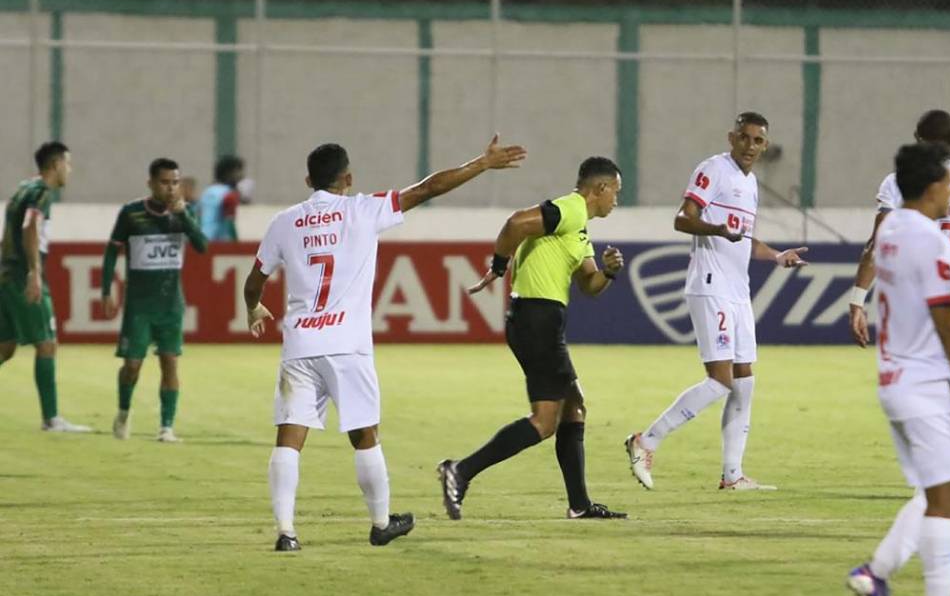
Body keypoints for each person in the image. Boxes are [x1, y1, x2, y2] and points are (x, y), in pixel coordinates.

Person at [244, 132, 526, 550]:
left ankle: (286, 533)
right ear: (349, 178)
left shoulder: (284, 221)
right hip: (348, 346)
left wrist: (254, 308)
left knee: (289, 436)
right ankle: (380, 523)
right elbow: (428, 188)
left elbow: (255, 281)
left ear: (308, 181)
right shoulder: (364, 209)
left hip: (300, 346)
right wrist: (480, 164)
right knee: (364, 435)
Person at [845, 142, 950, 596]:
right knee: (948, 497)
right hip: (927, 384)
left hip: (898, 379)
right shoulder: (931, 244)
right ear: (933, 187)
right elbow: (947, 326)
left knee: (945, 489)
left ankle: (877, 574)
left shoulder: (892, 233)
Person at [437, 156, 628, 521]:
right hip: (536, 318)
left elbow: (589, 285)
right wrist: (497, 266)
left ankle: (580, 505)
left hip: (543, 320)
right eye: (615, 192)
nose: (616, 200)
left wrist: (610, 272)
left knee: (574, 407)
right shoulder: (570, 209)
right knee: (544, 421)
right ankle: (460, 471)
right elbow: (516, 223)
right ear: (600, 189)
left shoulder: (580, 228)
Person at [624, 114, 805, 493]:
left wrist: (776, 256)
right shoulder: (714, 170)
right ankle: (647, 440)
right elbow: (682, 219)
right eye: (744, 137)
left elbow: (745, 239)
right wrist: (716, 229)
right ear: (732, 137)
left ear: (765, 146)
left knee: (745, 383)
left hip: (738, 291)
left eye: (758, 140)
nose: (750, 146)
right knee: (721, 381)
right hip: (710, 287)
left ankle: (732, 474)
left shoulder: (751, 183)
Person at [848, 108, 950, 526]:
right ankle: (942, 494)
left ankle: (941, 493)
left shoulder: (897, 182)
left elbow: (875, 246)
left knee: (926, 392)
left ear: (916, 138)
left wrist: (858, 299)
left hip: (909, 314)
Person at [101, 157, 208, 443]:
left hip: (170, 304)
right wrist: (106, 289)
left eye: (175, 182)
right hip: (139, 307)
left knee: (170, 362)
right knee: (132, 366)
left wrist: (184, 215)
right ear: (151, 183)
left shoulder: (185, 213)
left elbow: (202, 245)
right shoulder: (132, 213)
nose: (171, 188)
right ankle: (123, 411)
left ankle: (166, 427)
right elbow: (112, 250)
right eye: (165, 182)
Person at [0, 141, 90, 432]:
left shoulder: (23, 188)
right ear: (56, 165)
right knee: (47, 343)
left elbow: (9, 231)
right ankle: (51, 419)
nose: (70, 170)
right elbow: (30, 226)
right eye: (68, 163)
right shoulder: (42, 193)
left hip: (5, 273)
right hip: (21, 275)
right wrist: (34, 272)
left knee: (5, 347)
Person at [198, 155, 246, 242]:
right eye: (238, 171)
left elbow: (199, 217)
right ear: (228, 173)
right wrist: (236, 244)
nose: (241, 176)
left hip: (201, 240)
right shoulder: (229, 195)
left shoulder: (207, 192)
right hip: (217, 243)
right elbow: (229, 223)